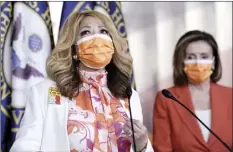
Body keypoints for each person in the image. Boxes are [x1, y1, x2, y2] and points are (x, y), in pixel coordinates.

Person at [10, 11, 153, 152]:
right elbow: (25, 147)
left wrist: (142, 146)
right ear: (74, 50)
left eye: (103, 31)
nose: (97, 37)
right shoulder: (47, 92)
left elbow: (142, 147)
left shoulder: (128, 95)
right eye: (86, 32)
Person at [153, 30, 232, 152]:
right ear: (182, 62)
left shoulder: (230, 96)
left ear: (214, 61)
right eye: (190, 57)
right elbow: (162, 148)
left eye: (204, 56)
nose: (197, 63)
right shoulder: (167, 98)